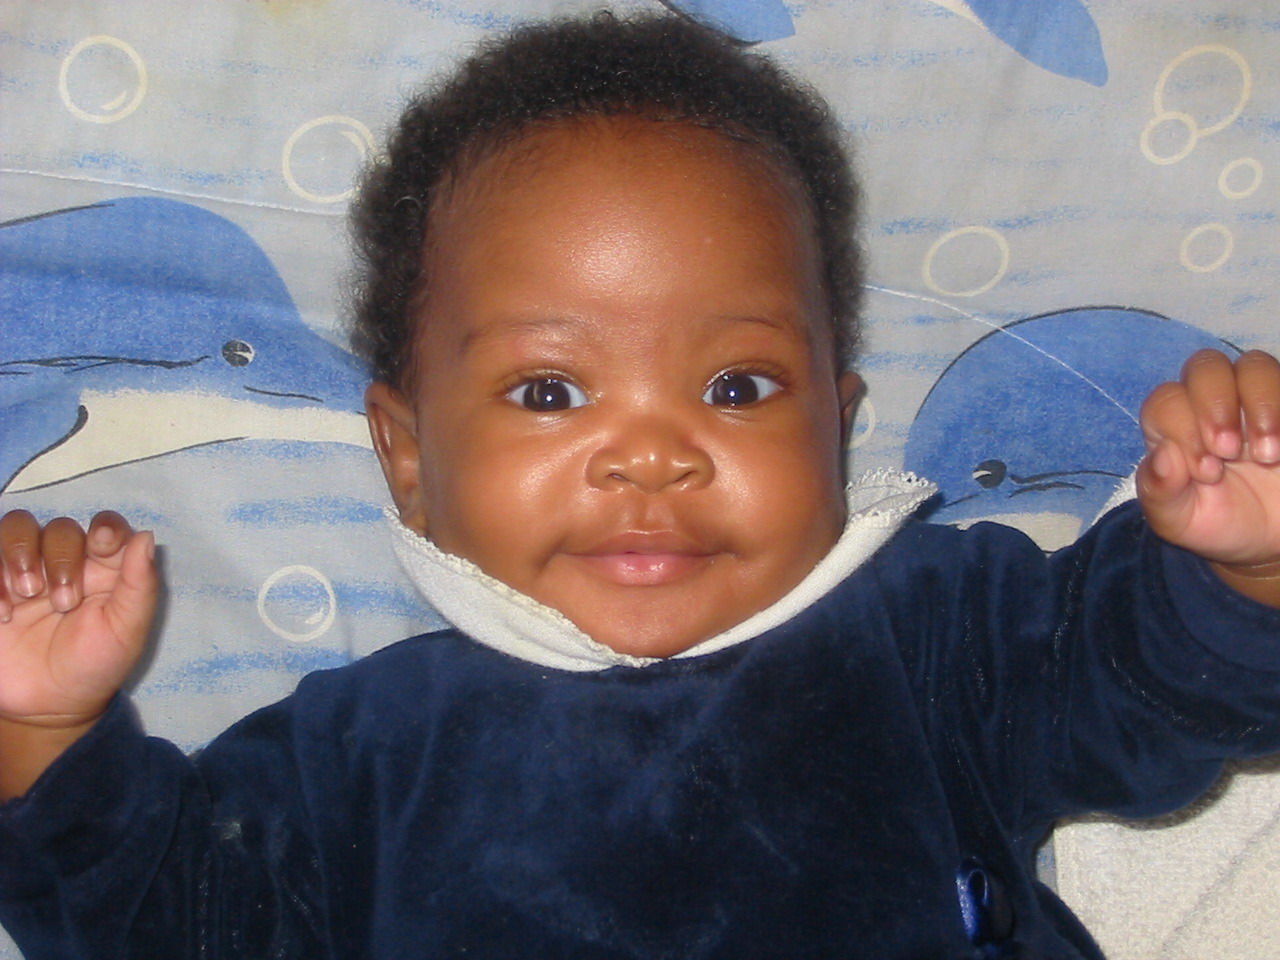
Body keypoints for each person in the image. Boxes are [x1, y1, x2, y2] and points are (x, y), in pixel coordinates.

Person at [1, 12, 1279, 959]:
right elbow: (164, 920)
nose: (653, 454)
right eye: (548, 391)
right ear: (408, 458)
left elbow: (1144, 684)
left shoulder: (936, 637)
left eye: (736, 385)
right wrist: (45, 736)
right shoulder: (359, 756)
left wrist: (1237, 569)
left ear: (836, 425)